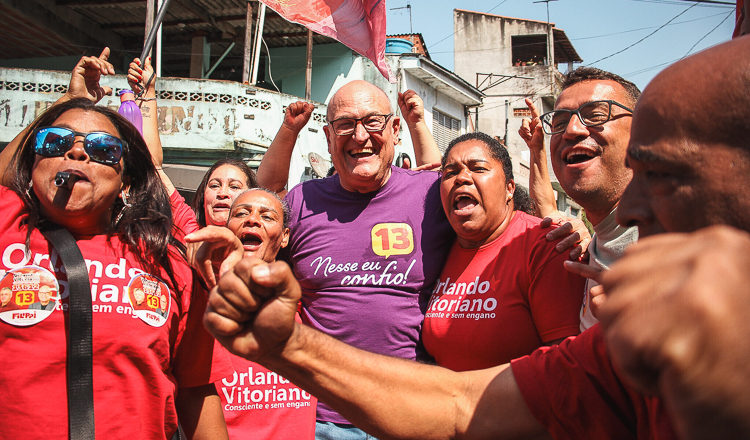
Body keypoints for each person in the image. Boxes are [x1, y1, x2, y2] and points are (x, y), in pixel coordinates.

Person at [203, 35, 750, 440]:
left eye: (661, 174)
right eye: (450, 175)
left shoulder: (538, 243)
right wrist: (291, 347)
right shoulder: (611, 346)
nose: (630, 210)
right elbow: (464, 405)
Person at [0, 50, 231, 439]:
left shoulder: (167, 259)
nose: (75, 152)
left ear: (126, 181)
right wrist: (71, 101)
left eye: (103, 150)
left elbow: (194, 389)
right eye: (54, 142)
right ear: (32, 163)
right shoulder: (6, 225)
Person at [278, 80, 455, 438]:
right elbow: (254, 214)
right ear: (328, 137)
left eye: (373, 122)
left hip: (415, 412)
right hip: (323, 419)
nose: (359, 136)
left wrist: (562, 219)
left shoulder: (432, 195)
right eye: (345, 124)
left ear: (394, 131)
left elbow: (497, 221)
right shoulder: (300, 202)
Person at [422, 132, 584, 370]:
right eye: (451, 172)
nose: (461, 178)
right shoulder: (438, 247)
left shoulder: (546, 244)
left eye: (478, 168)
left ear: (509, 188)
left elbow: (564, 367)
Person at [186, 188, 317, 440]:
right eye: (241, 213)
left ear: (285, 236)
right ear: (226, 229)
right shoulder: (201, 300)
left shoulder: (306, 305)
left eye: (267, 216)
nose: (253, 219)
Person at [519, 67, 641, 330]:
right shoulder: (591, 245)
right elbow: (548, 211)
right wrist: (537, 150)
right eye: (560, 123)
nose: (571, 130)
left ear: (643, 131)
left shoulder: (684, 237)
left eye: (596, 115)